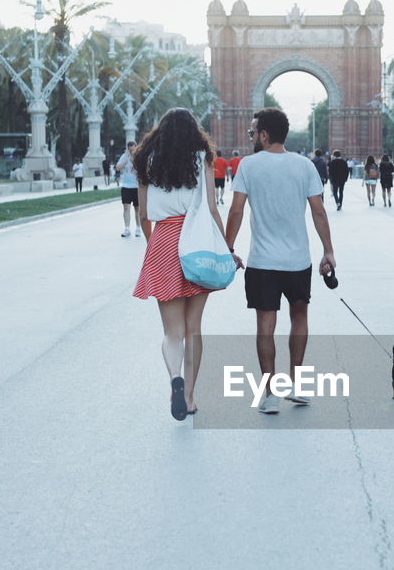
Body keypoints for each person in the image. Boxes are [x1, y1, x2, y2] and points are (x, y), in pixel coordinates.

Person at [226, 107, 336, 416]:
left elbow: (236, 212)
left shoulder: (248, 166)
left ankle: (270, 394)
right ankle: (298, 386)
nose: (250, 137)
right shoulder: (304, 166)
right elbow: (318, 211)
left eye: (252, 132)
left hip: (262, 261)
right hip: (297, 260)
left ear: (263, 135)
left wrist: (227, 248)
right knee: (299, 317)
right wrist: (328, 251)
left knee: (265, 323)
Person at [131, 109, 238, 421]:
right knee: (194, 329)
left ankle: (174, 380)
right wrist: (226, 248)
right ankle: (189, 396)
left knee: (172, 332)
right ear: (195, 132)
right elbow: (211, 208)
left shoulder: (145, 159)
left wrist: (155, 245)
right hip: (197, 243)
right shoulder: (201, 157)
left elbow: (143, 214)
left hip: (163, 240)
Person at [115, 141, 139, 237]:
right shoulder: (124, 156)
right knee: (126, 208)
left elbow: (140, 168)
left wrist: (133, 158)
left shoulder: (138, 156)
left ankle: (138, 228)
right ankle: (127, 229)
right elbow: (118, 168)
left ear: (136, 148)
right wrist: (126, 158)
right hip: (126, 186)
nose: (131, 150)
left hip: (136, 187)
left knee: (137, 209)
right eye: (129, 149)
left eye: (133, 148)